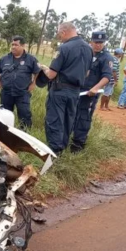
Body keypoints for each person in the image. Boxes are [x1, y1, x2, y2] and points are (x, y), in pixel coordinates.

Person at [37, 22, 93, 155]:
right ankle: (62, 147)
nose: (59, 37)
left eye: (59, 34)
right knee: (68, 120)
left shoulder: (64, 48)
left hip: (59, 90)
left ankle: (54, 152)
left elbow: (51, 74)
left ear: (63, 32)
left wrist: (43, 68)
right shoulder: (88, 48)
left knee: (55, 120)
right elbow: (87, 73)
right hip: (75, 92)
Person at [69, 31, 113, 153]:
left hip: (90, 94)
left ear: (104, 43)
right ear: (91, 42)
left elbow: (107, 77)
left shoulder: (106, 57)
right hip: (77, 91)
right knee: (72, 115)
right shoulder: (86, 53)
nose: (98, 45)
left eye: (101, 42)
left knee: (84, 118)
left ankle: (78, 145)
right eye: (96, 42)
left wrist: (95, 88)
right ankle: (68, 140)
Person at [0, 35, 40, 129]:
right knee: (4, 116)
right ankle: (5, 134)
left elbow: (37, 71)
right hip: (6, 93)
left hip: (22, 93)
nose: (13, 47)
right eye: (12, 44)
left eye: (16, 45)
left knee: (24, 115)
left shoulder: (31, 59)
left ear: (23, 46)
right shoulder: (4, 58)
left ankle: (25, 134)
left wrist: (33, 83)